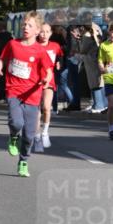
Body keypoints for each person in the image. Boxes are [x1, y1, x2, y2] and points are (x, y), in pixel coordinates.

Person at [0, 12, 51, 177]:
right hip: (14, 90)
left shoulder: (40, 51)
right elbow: (2, 58)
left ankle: (24, 161)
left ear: (37, 30)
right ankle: (13, 136)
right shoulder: (13, 44)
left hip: (32, 96)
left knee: (29, 134)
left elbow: (48, 71)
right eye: (24, 24)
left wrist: (46, 80)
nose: (25, 27)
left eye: (30, 25)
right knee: (17, 123)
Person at [36, 21, 64, 149]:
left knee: (47, 107)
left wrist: (58, 63)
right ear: (37, 32)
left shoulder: (55, 46)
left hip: (49, 80)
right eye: (42, 31)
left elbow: (60, 56)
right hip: (35, 81)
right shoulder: (34, 45)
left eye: (47, 32)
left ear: (51, 33)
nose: (44, 34)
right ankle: (36, 136)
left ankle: (45, 132)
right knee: (36, 111)